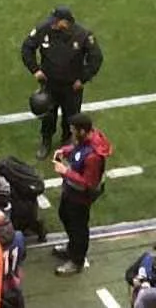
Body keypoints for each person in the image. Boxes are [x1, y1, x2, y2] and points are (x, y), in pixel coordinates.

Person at [22, 5, 104, 159]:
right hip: (49, 84)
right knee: (48, 115)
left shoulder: (82, 35)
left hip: (72, 86)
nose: (52, 23)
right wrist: (35, 70)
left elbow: (96, 58)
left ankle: (67, 141)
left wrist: (83, 79)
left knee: (71, 116)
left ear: (65, 22)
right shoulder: (44, 29)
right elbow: (27, 48)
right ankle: (46, 141)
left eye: (56, 21)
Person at [52, 113, 112, 276]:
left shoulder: (93, 157)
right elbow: (78, 148)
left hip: (80, 196)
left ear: (82, 131)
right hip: (72, 190)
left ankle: (76, 260)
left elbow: (88, 182)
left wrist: (65, 171)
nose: (71, 133)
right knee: (64, 214)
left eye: (73, 130)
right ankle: (72, 247)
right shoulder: (87, 139)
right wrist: (65, 151)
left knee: (78, 226)